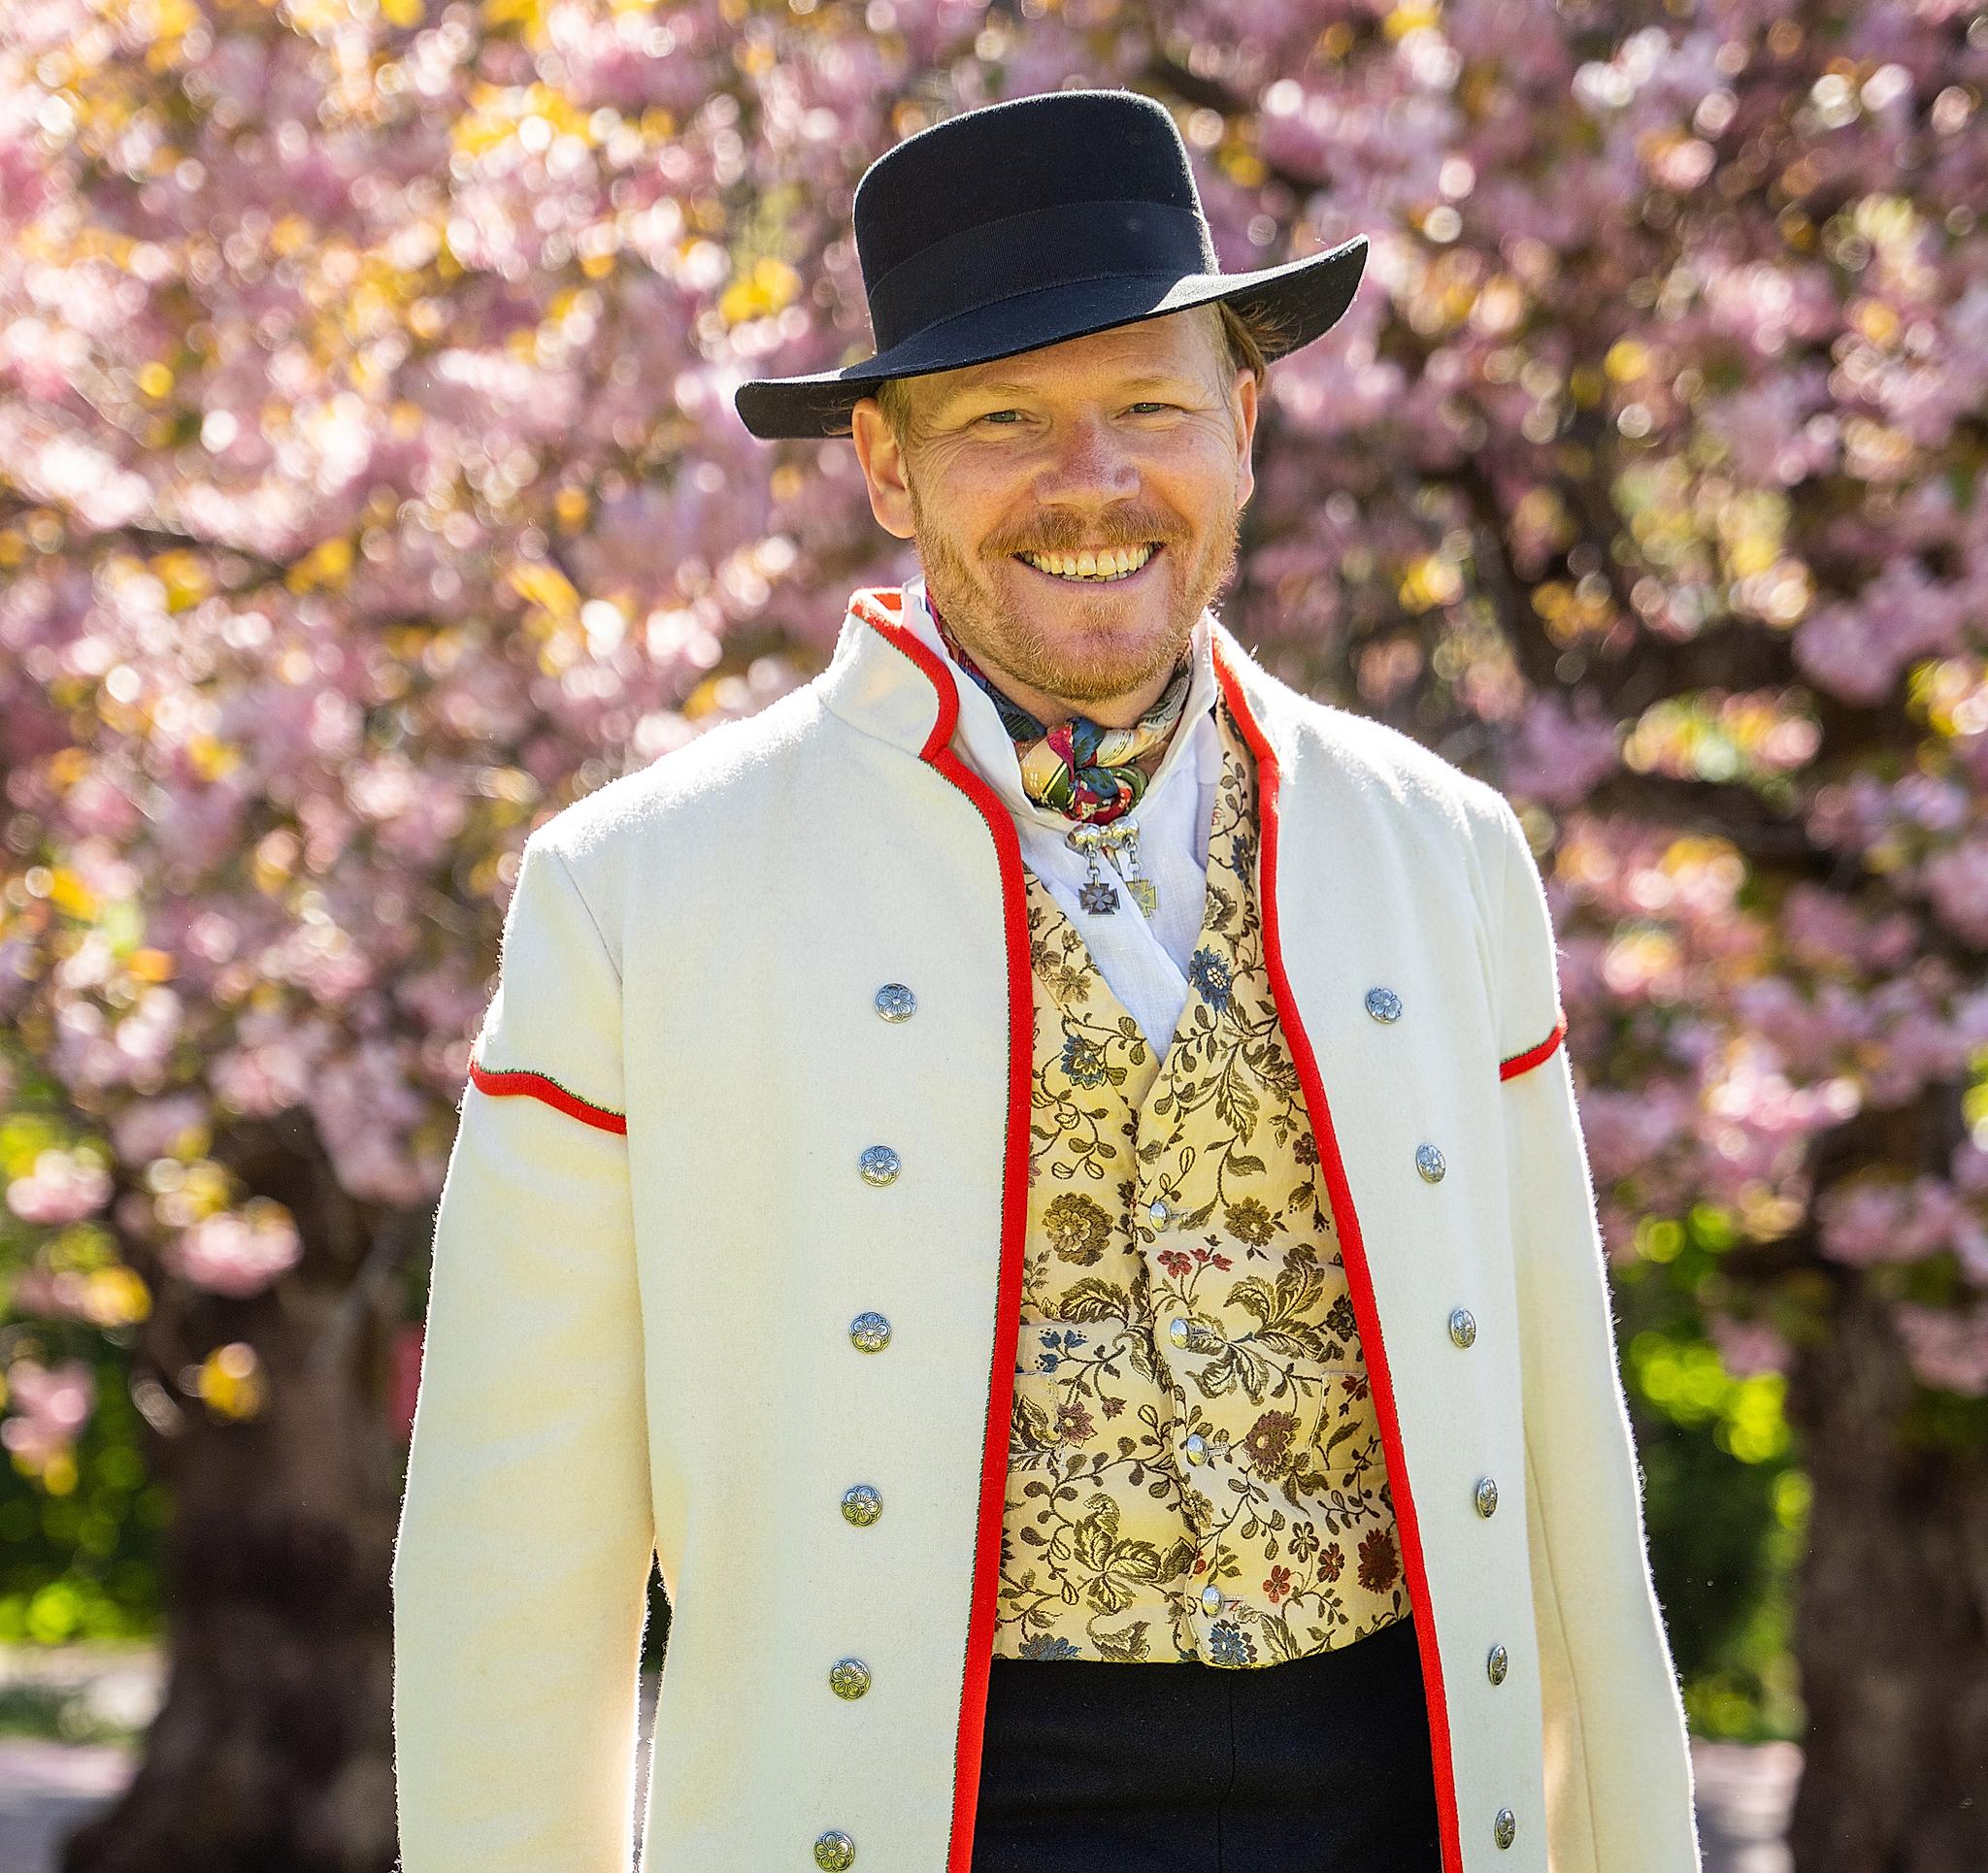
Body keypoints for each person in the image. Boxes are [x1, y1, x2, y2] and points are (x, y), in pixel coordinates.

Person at [391, 87, 1703, 1873]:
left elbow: (1566, 1474)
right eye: (1006, 419)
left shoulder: (1444, 851)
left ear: (1240, 428)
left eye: (1150, 408)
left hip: (1399, 1806)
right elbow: (513, 1541)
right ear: (888, 468)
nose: (1093, 484)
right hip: (924, 1816)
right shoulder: (635, 891)